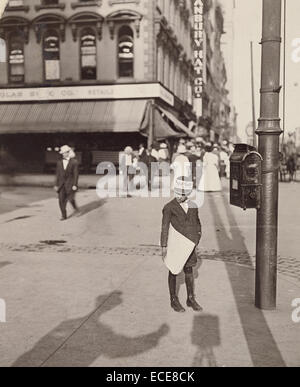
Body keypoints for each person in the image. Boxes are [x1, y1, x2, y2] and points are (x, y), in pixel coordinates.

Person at [161, 176, 203, 313]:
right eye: (177, 192)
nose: (179, 196)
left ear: (188, 193)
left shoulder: (193, 206)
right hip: (175, 244)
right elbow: (164, 227)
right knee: (173, 270)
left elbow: (197, 223)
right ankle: (173, 299)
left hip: (189, 244)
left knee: (189, 269)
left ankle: (190, 298)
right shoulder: (169, 207)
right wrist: (164, 246)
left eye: (183, 194)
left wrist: (197, 238)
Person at [54, 145, 79, 221]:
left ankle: (75, 208)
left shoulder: (74, 162)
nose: (63, 154)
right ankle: (63, 215)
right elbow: (57, 174)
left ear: (68, 152)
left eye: (64, 153)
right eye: (62, 153)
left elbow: (76, 174)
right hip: (61, 185)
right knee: (61, 200)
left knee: (71, 199)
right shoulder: (59, 162)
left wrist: (75, 184)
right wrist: (56, 184)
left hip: (70, 184)